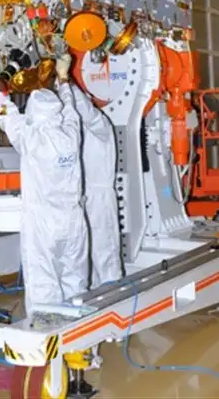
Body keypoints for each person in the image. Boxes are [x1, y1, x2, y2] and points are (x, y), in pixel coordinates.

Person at [0, 56, 88, 318]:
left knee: (44, 283)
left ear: (32, 114)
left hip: (44, 223)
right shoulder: (70, 133)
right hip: (74, 220)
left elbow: (4, 112)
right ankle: (78, 345)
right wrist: (63, 76)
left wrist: (4, 76)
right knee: (75, 281)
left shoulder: (30, 137)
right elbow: (70, 108)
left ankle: (47, 342)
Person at [71, 86, 123, 287]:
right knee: (83, 250)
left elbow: (86, 111)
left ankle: (112, 290)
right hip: (81, 198)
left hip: (99, 199)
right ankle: (91, 290)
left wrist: (67, 84)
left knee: (104, 248)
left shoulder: (100, 124)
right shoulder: (72, 129)